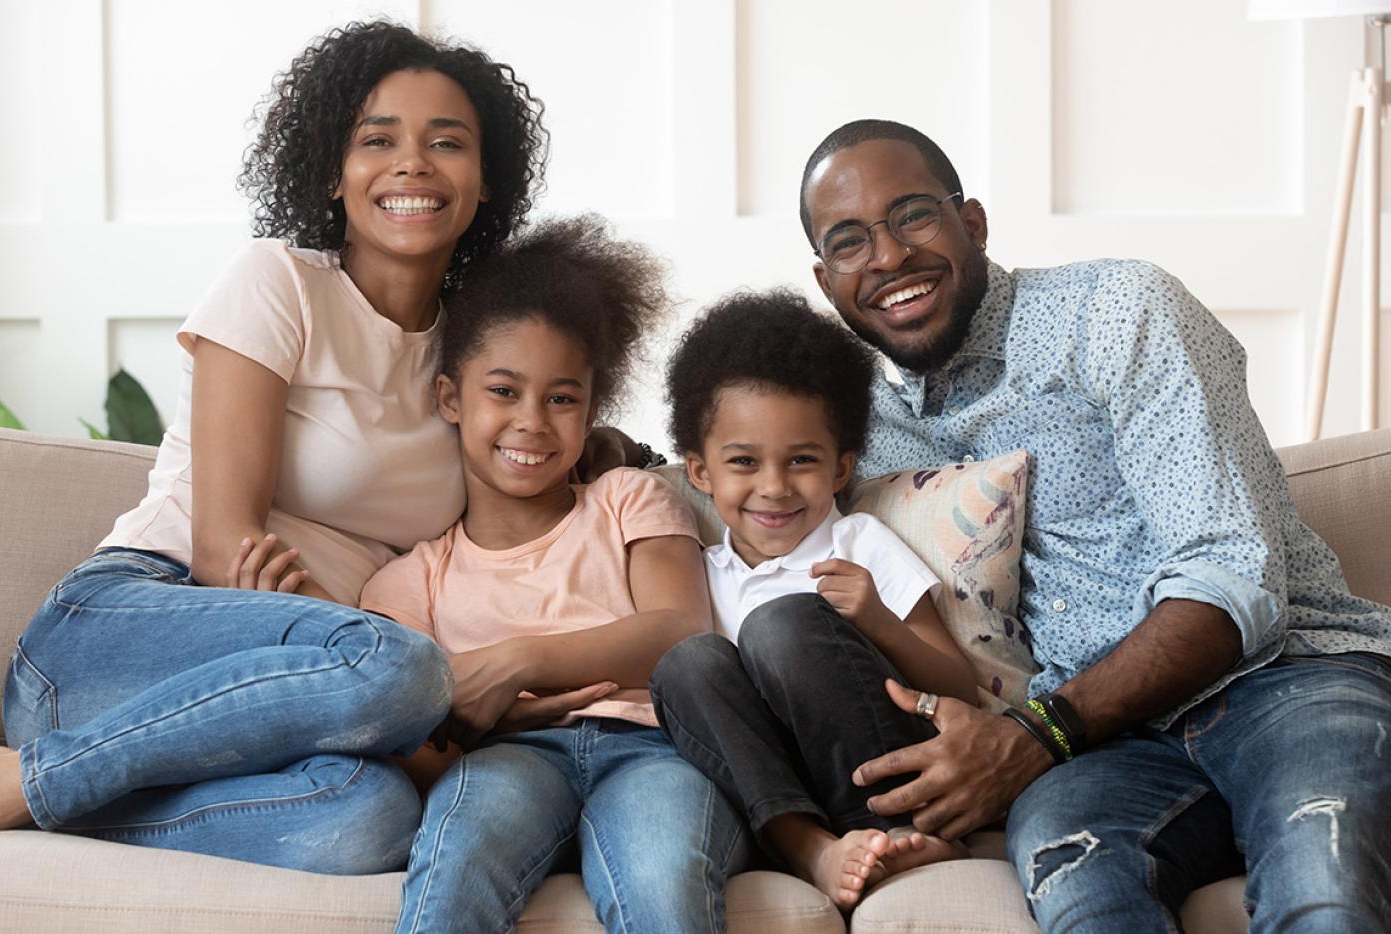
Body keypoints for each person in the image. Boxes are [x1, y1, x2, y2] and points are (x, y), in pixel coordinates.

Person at [0, 21, 580, 873]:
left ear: (487, 180)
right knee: (407, 668)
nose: (412, 164)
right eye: (377, 140)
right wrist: (397, 674)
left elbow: (517, 467)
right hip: (126, 633)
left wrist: (594, 441)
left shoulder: (474, 359)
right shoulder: (277, 283)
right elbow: (225, 549)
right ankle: (33, 782)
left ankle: (82, 796)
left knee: (372, 820)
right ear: (333, 173)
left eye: (446, 143)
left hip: (295, 693)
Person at [797, 118, 1391, 931]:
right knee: (1080, 892)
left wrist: (1037, 733)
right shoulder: (851, 426)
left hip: (1284, 681)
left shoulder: (1115, 311)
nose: (890, 256)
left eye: (913, 215)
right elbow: (728, 478)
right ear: (826, 280)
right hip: (1106, 754)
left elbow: (1233, 577)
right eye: (849, 241)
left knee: (1326, 880)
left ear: (972, 223)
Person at [339, 217, 750, 934]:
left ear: (591, 413)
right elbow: (414, 744)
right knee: (458, 862)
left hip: (653, 750)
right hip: (507, 761)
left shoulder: (628, 499)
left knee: (662, 878)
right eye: (503, 391)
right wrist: (478, 722)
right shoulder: (410, 582)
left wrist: (517, 662)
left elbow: (680, 634)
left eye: (561, 399)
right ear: (450, 398)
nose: (532, 421)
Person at [647, 290, 974, 911]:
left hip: (874, 767)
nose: (774, 487)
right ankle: (810, 848)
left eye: (801, 460)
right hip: (774, 791)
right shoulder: (697, 573)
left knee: (781, 625)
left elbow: (959, 685)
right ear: (699, 472)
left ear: (841, 469)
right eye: (744, 462)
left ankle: (893, 829)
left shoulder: (859, 543)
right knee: (686, 661)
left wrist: (879, 622)